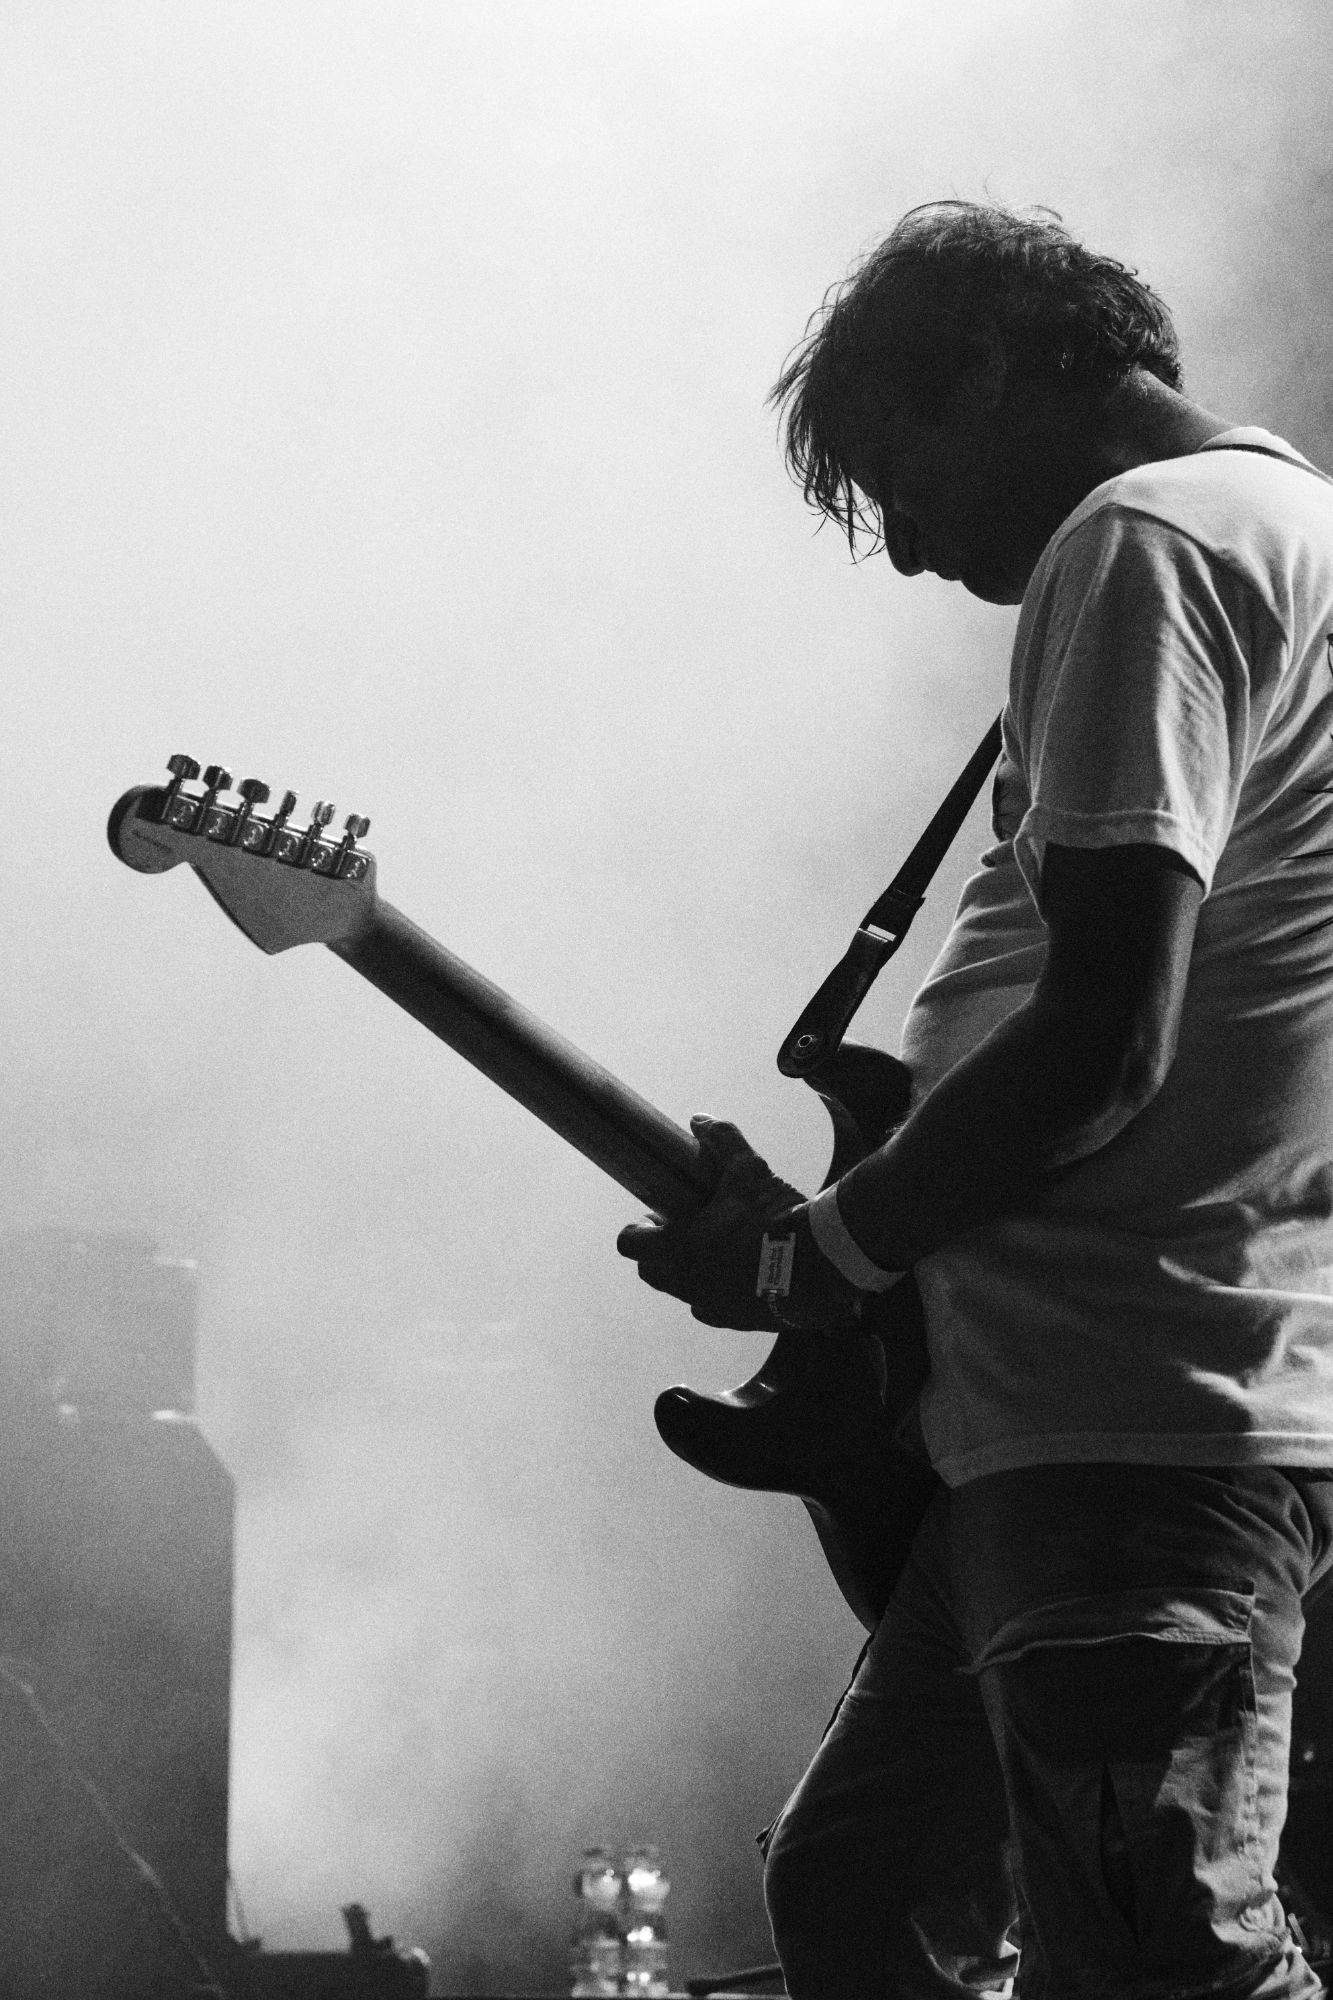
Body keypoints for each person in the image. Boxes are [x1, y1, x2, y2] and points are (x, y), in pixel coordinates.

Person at [617, 200, 1333, 1998]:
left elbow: (1103, 1037)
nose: (911, 548)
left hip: (1126, 1413)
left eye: (892, 475)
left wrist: (826, 1258)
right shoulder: (1287, 531)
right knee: (857, 1897)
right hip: (1102, 1401)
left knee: (1165, 1963)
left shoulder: (1146, 539)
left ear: (1002, 364)